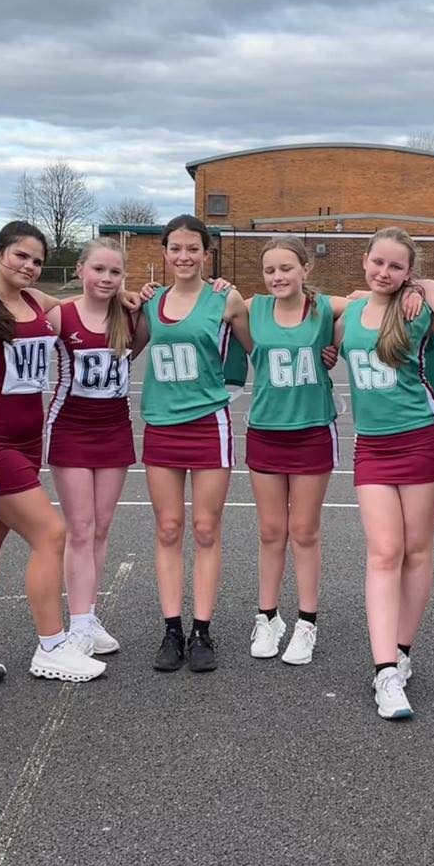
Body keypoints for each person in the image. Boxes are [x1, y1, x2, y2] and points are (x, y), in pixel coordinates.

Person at [0, 221, 105, 684]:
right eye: (20, 255)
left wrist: (129, 296)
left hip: (26, 442)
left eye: (37, 260)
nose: (30, 266)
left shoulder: (37, 302)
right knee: (51, 534)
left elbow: (83, 305)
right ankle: (52, 645)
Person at [343, 228, 434, 720]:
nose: (383, 272)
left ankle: (402, 651)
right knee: (384, 552)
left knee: (416, 550)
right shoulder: (347, 312)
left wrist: (423, 287)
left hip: (422, 441)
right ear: (364, 260)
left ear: (409, 271)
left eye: (395, 266)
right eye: (378, 262)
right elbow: (291, 300)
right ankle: (384, 670)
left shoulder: (419, 309)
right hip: (372, 446)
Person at [140, 214, 253, 673]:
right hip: (161, 424)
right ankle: (172, 629)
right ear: (165, 253)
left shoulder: (227, 300)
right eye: (176, 248)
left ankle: (202, 630)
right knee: (168, 529)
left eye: (193, 249)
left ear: (207, 254)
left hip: (208, 424)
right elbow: (123, 346)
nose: (184, 256)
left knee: (206, 529)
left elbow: (262, 346)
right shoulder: (150, 302)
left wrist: (324, 350)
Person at [245, 237, 347, 666]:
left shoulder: (324, 308)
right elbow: (205, 303)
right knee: (271, 531)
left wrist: (415, 290)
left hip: (311, 430)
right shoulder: (252, 308)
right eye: (270, 270)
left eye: (286, 268)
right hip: (266, 430)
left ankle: (307, 622)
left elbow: (371, 298)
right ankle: (268, 617)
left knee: (304, 532)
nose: (278, 277)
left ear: (306, 269)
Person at [45, 237, 147, 657]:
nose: (106, 278)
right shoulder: (61, 314)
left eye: (115, 272)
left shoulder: (130, 317)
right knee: (81, 528)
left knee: (101, 528)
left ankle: (88, 616)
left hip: (114, 430)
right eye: (98, 269)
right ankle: (78, 625)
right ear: (80, 270)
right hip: (71, 429)